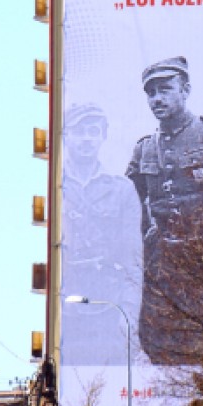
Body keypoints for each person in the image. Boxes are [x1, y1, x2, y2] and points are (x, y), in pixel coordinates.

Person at [126, 57, 203, 364]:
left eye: (165, 90)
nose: (157, 99)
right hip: (163, 267)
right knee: (161, 347)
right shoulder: (143, 149)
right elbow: (131, 212)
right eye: (150, 93)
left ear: (186, 90)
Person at [60, 103, 142, 366]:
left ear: (102, 137)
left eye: (93, 131)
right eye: (79, 131)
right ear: (66, 135)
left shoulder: (122, 190)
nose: (86, 138)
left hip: (109, 306)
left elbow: (133, 260)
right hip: (67, 311)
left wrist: (129, 313)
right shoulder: (53, 188)